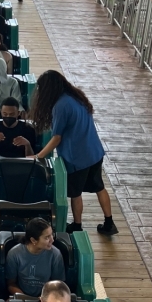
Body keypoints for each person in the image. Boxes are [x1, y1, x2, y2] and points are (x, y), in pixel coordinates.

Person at [31, 70, 117, 235]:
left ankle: (77, 225)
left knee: (75, 193)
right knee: (99, 186)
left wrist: (38, 156)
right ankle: (109, 222)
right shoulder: (77, 97)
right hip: (94, 152)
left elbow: (57, 138)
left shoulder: (60, 106)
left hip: (77, 158)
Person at [7, 219, 65, 298]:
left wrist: (43, 298)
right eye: (47, 237)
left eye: (52, 235)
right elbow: (11, 284)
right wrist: (25, 298)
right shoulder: (14, 254)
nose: (52, 240)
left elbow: (58, 285)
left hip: (46, 298)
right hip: (21, 298)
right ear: (33, 240)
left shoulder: (55, 254)